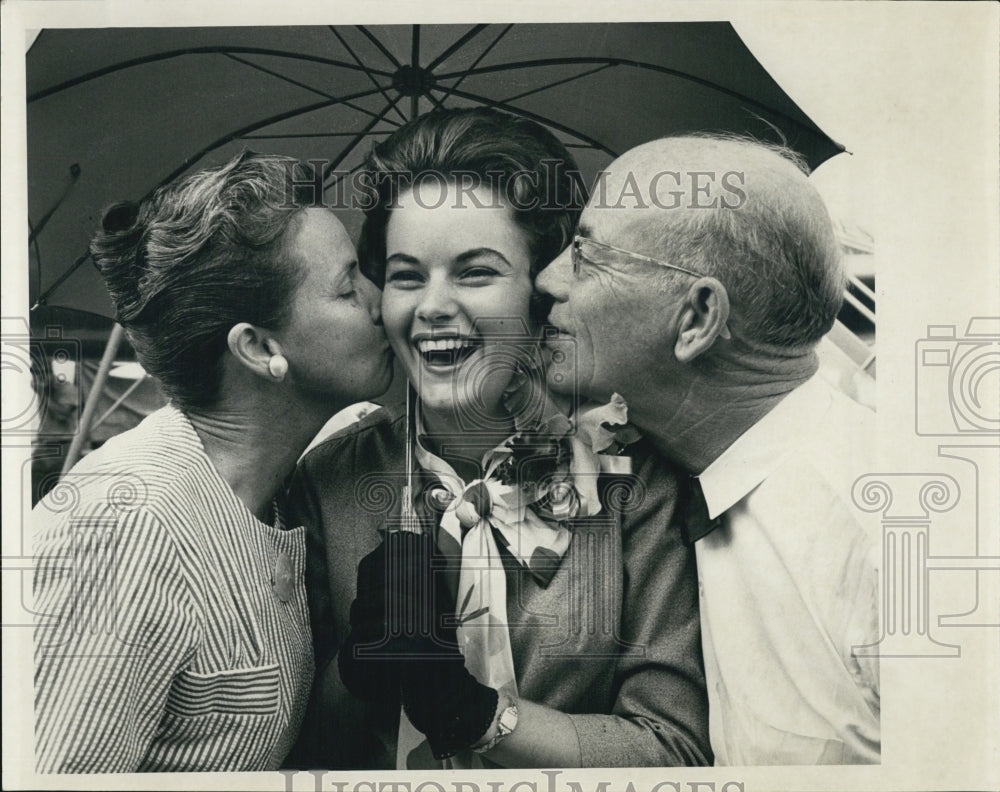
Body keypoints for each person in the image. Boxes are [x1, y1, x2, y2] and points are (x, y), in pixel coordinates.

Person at [288, 108, 711, 769]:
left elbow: (675, 751)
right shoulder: (328, 481)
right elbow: (305, 754)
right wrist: (357, 674)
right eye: (406, 276)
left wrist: (479, 716)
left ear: (541, 294)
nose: (432, 306)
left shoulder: (636, 479)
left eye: (475, 272)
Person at [32, 151, 394, 773]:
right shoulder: (124, 532)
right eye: (347, 287)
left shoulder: (280, 496)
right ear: (257, 347)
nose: (382, 300)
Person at [536, 134, 881, 765]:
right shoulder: (663, 469)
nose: (547, 278)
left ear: (696, 318)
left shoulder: (881, 538)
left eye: (585, 255)